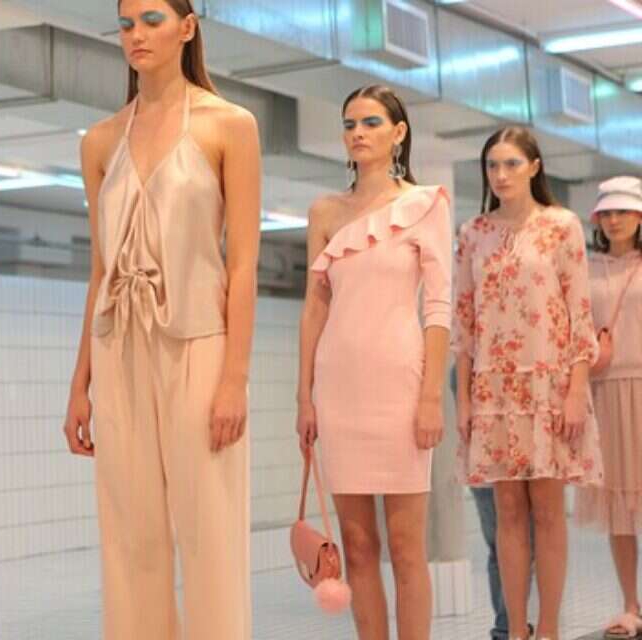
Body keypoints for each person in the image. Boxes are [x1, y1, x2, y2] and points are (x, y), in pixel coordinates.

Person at [61, 1, 261, 638]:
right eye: (126, 24)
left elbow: (244, 264)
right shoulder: (99, 141)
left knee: (210, 536)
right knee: (129, 537)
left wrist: (234, 379)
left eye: (152, 20)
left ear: (188, 27)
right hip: (118, 348)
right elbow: (100, 268)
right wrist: (79, 384)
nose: (136, 35)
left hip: (200, 344)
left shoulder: (230, 125)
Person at [296, 84, 452, 640]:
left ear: (398, 133)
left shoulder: (425, 204)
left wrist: (431, 397)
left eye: (371, 123)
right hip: (339, 390)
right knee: (358, 545)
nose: (358, 133)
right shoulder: (324, 211)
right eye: (349, 124)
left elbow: (439, 307)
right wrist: (304, 397)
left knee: (407, 546)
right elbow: (315, 307)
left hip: (401, 386)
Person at [455, 126, 602, 640]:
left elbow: (579, 313)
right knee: (508, 515)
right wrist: (463, 400)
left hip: (549, 384)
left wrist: (576, 390)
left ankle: (551, 629)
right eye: (493, 165)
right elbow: (464, 323)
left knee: (548, 513)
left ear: (535, 167)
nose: (500, 175)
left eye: (512, 164)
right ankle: (517, 629)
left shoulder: (561, 226)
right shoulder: (473, 232)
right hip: (492, 388)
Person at [574, 177, 642, 639]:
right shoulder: (585, 268)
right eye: (607, 213)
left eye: (623, 211)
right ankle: (630, 604)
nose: (614, 220)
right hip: (605, 392)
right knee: (620, 503)